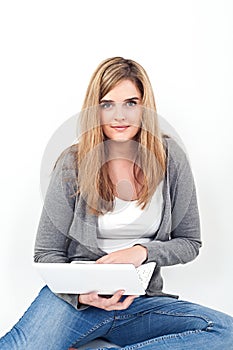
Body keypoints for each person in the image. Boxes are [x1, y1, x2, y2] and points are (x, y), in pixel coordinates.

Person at [0, 57, 232, 350]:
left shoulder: (170, 157)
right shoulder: (73, 163)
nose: (119, 115)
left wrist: (142, 252)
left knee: (225, 332)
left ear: (144, 107)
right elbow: (46, 253)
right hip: (76, 304)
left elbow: (190, 242)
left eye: (131, 103)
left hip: (139, 304)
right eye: (108, 104)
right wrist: (81, 295)